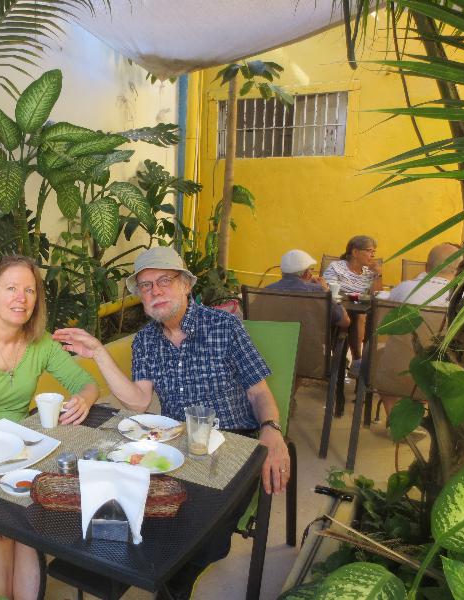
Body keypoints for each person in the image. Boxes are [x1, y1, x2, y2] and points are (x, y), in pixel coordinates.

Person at [53, 246, 290, 600]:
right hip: (175, 443)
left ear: (186, 285)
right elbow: (139, 400)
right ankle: (121, 568)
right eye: (146, 286)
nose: (155, 291)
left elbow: (259, 392)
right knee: (128, 493)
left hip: (233, 442)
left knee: (203, 531)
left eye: (164, 280)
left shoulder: (225, 327)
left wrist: (271, 430)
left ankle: (171, 584)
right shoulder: (146, 340)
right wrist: (99, 354)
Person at [0, 255, 99, 600]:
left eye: (30, 290)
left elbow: (86, 383)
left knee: (30, 524)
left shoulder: (40, 344)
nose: (21, 298)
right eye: (11, 288)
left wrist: (84, 399)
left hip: (19, 448)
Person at [376, 243, 460, 418]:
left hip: (396, 371)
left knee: (381, 354)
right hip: (441, 374)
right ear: (459, 270)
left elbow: (383, 313)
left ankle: (393, 419)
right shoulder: (462, 299)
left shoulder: (404, 289)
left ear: (427, 267)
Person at [322, 235, 383, 373]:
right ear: (355, 252)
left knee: (360, 316)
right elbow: (329, 291)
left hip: (358, 313)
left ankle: (350, 361)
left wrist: (378, 275)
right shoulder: (337, 267)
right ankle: (356, 360)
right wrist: (352, 298)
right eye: (369, 250)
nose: (373, 255)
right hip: (337, 309)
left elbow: (376, 297)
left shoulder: (369, 272)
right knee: (357, 316)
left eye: (374, 252)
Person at [266, 249, 350, 329]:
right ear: (306, 273)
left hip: (274, 338)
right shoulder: (317, 292)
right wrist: (326, 291)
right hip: (308, 339)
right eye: (311, 270)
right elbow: (345, 322)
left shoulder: (267, 291)